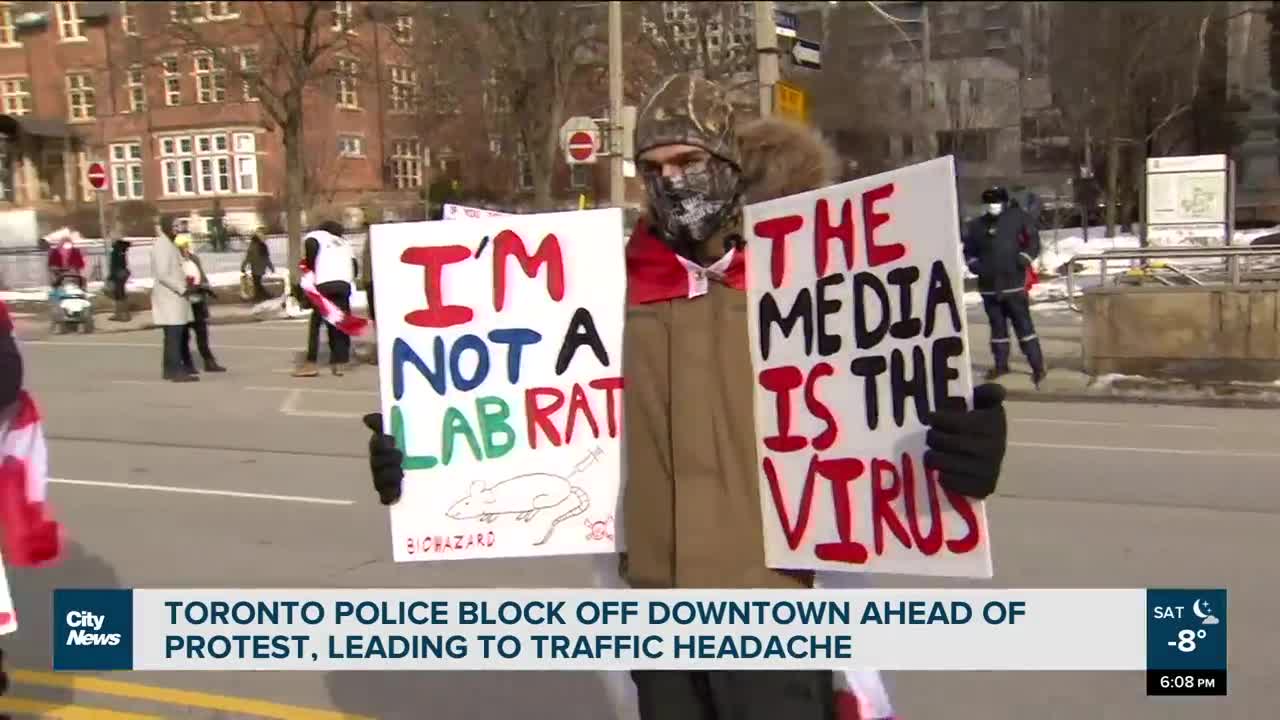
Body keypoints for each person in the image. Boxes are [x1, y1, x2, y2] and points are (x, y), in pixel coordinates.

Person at [361, 73, 1009, 720]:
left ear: (730, 162)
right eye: (653, 167)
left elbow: (882, 397)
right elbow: (529, 418)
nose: (670, 180)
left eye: (689, 160)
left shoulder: (811, 277)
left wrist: (957, 454)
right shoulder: (604, 292)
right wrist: (422, 469)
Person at [963, 186, 1046, 386]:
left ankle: (1037, 367)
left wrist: (1024, 258)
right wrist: (974, 265)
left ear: (1004, 202)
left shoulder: (1018, 218)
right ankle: (1001, 364)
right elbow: (969, 250)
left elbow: (1033, 241)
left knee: (1024, 328)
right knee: (997, 329)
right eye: (989, 202)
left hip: (1014, 285)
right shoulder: (976, 226)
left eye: (996, 202)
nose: (993, 206)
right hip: (989, 287)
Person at [293, 221, 358, 378]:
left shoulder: (317, 236)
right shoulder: (344, 243)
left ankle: (311, 363)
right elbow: (355, 267)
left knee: (316, 323)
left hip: (325, 285)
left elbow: (310, 252)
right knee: (339, 323)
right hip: (343, 285)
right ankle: (341, 361)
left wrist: (311, 271)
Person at [151, 216, 197, 383]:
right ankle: (176, 370)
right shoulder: (162, 246)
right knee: (174, 337)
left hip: (175, 299)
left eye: (179, 225)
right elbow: (163, 274)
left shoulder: (171, 244)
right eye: (175, 226)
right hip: (169, 298)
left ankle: (169, 369)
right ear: (166, 227)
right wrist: (182, 288)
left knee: (174, 336)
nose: (178, 229)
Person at [175, 235, 226, 375]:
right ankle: (187, 363)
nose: (184, 249)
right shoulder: (175, 262)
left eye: (186, 246)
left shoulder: (194, 259)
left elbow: (202, 276)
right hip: (184, 303)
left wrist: (206, 288)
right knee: (184, 335)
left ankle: (209, 361)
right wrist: (188, 287)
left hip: (197, 301)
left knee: (202, 333)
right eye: (181, 247)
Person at [241, 231, 275, 302]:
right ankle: (261, 296)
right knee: (257, 283)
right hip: (262, 268)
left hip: (255, 268)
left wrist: (243, 267)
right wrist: (271, 267)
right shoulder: (262, 246)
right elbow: (267, 259)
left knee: (257, 284)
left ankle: (265, 296)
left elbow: (248, 258)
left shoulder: (252, 247)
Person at [108, 238, 132, 322]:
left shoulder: (115, 252)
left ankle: (120, 315)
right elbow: (123, 264)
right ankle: (124, 314)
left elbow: (113, 266)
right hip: (123, 273)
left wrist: (110, 277)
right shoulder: (122, 252)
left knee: (118, 295)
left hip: (117, 274)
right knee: (121, 294)